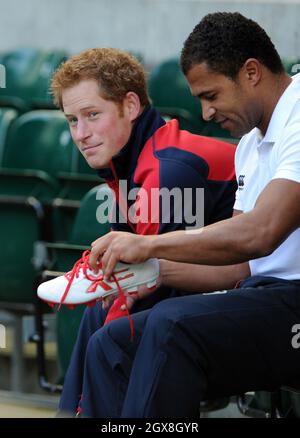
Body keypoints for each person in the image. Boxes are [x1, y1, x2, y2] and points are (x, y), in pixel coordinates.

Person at [85, 12, 300, 418]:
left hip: (291, 308)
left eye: (211, 95)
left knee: (172, 326)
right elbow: (239, 265)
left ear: (251, 72)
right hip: (266, 299)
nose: (205, 113)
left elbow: (262, 232)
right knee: (111, 341)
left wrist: (146, 242)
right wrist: (146, 270)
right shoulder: (249, 146)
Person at [50, 47, 237, 415]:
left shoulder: (166, 169)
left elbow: (150, 283)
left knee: (114, 337)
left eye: (92, 115)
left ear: (131, 106)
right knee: (98, 314)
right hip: (203, 289)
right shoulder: (130, 159)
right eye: (72, 120)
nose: (81, 134)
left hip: (251, 295)